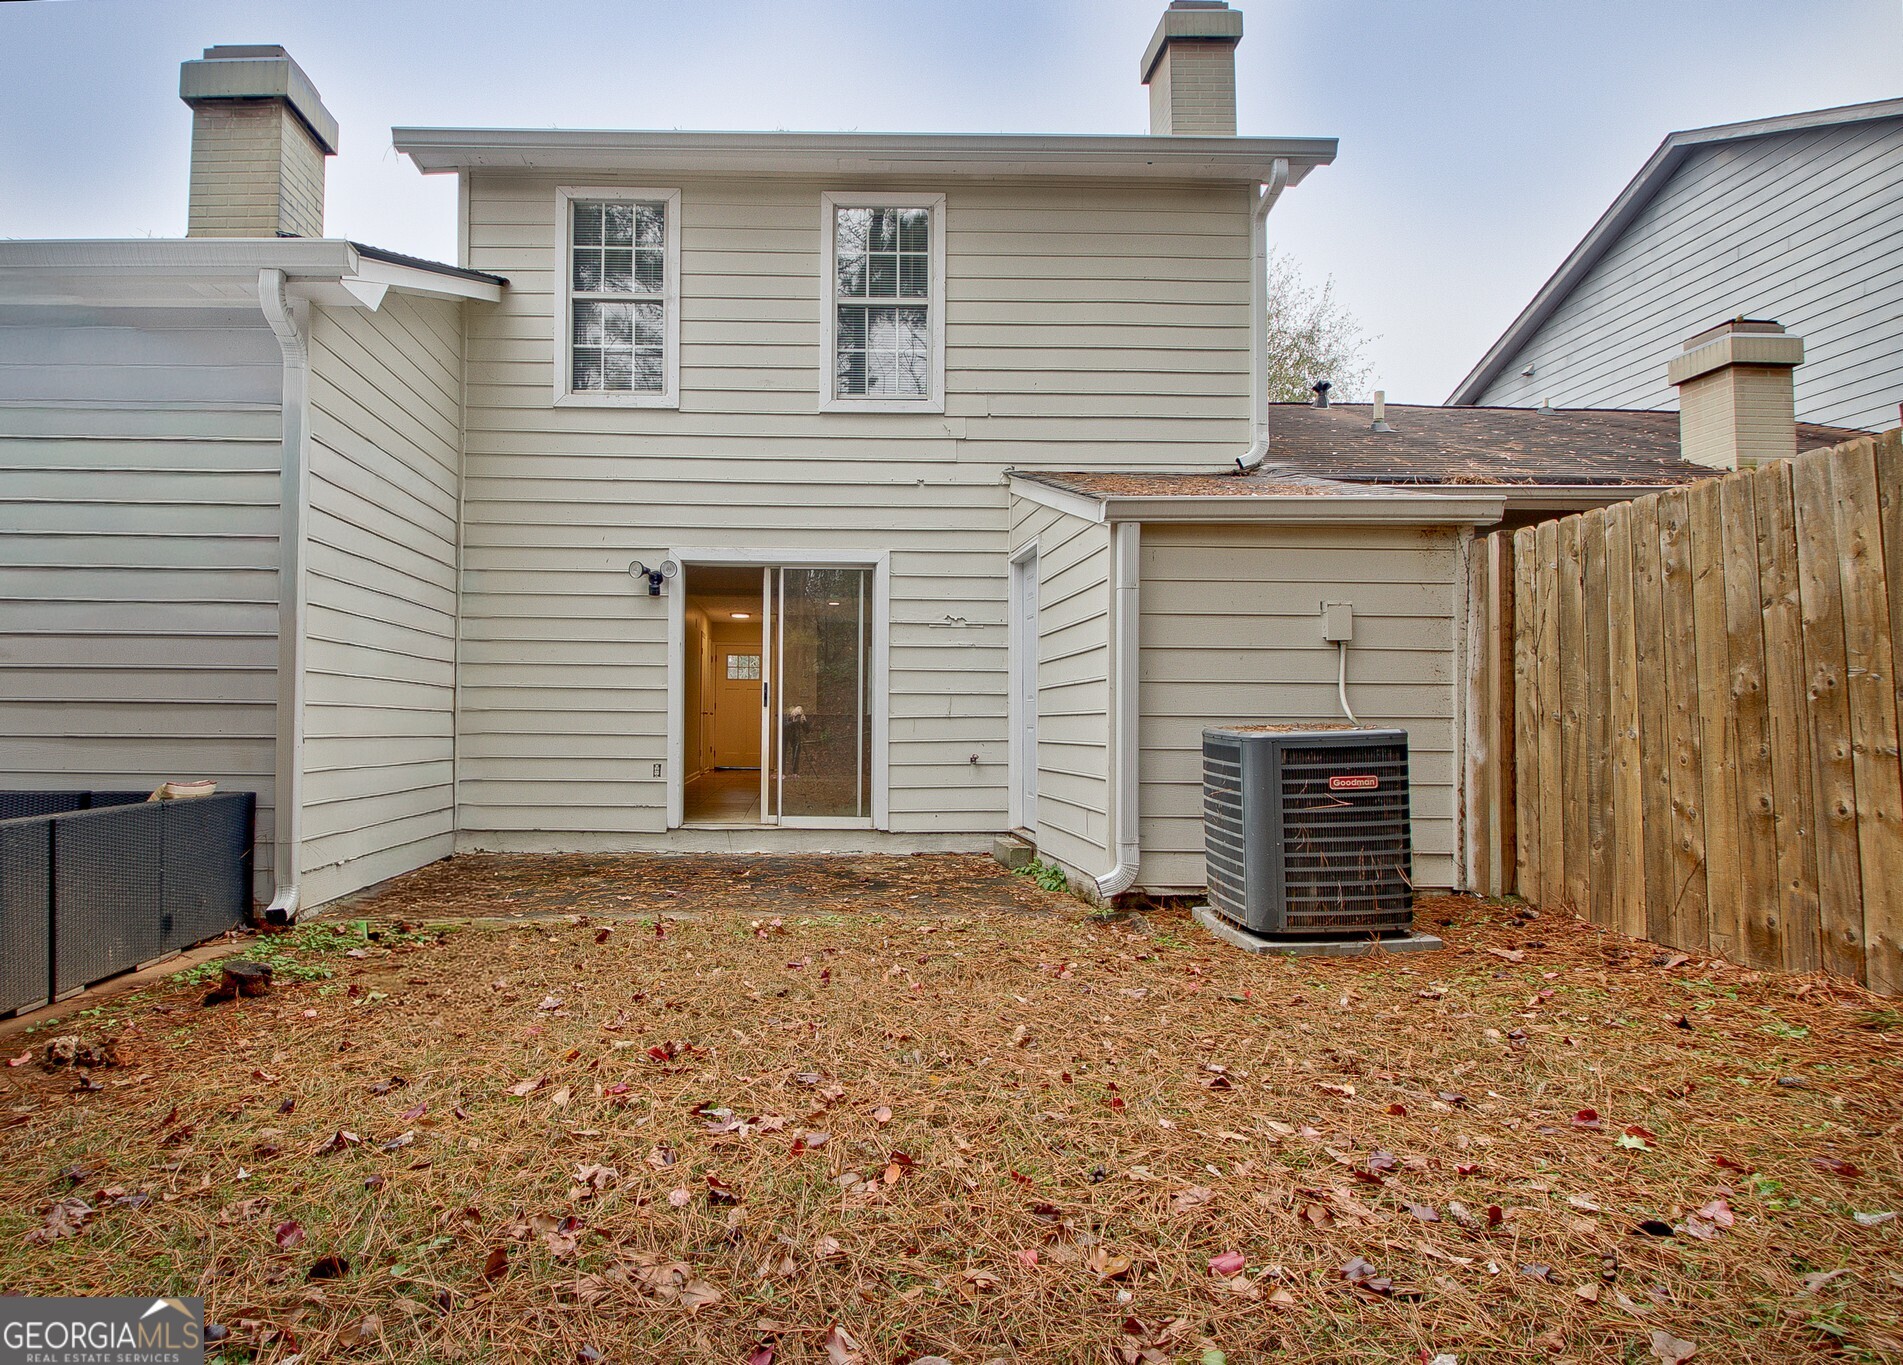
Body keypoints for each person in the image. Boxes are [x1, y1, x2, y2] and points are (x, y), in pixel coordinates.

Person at [781, 705, 810, 775]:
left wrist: (804, 722)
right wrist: (793, 722)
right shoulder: (786, 716)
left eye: (799, 714)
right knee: (783, 753)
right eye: (796, 713)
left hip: (795, 735)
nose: (797, 715)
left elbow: (807, 730)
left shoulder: (799, 718)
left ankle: (795, 772)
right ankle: (782, 772)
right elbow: (784, 727)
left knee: (796, 753)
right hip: (785, 735)